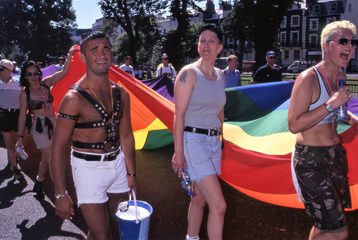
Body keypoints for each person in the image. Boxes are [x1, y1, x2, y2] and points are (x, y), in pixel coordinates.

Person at [51, 32, 136, 239]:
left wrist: (132, 174)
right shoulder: (73, 99)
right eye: (94, 50)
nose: (102, 54)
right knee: (103, 235)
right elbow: (58, 148)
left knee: (116, 225)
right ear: (83, 58)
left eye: (106, 49)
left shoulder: (121, 93)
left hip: (117, 164)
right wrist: (61, 193)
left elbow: (126, 136)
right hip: (88, 169)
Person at [288, 20, 358, 240]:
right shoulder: (308, 78)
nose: (349, 47)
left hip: (334, 157)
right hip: (311, 162)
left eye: (352, 42)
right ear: (326, 46)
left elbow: (335, 115)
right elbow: (294, 124)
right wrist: (331, 104)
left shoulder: (340, 78)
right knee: (339, 231)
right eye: (343, 41)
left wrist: (351, 117)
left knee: (323, 224)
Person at [171, 24, 227, 240]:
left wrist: (223, 139)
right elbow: (179, 114)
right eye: (202, 40)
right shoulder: (189, 73)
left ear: (220, 48)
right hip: (193, 141)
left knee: (199, 199)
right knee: (219, 205)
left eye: (211, 41)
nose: (206, 44)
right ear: (197, 45)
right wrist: (179, 151)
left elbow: (220, 110)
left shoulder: (221, 75)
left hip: (214, 143)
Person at [16, 45, 76, 199]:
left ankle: (39, 181)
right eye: (29, 74)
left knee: (47, 158)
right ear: (25, 76)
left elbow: (64, 71)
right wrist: (20, 138)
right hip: (39, 127)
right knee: (52, 158)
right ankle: (61, 194)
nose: (33, 76)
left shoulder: (46, 84)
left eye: (36, 73)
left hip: (55, 123)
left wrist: (69, 54)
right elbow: (22, 116)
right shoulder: (25, 95)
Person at [0, 59, 23, 179]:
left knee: (16, 142)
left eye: (1, 69)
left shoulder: (19, 83)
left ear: (8, 71)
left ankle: (14, 160)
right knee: (9, 143)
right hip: (4, 115)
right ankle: (15, 167)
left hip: (18, 115)